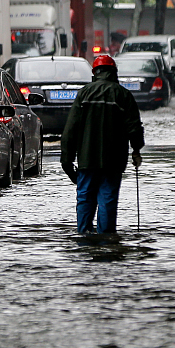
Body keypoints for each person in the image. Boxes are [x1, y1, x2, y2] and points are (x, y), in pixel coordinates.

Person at [59, 54, 144, 236]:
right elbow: (134, 128)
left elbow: (70, 130)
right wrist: (137, 149)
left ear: (95, 73)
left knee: (85, 200)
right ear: (114, 72)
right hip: (113, 162)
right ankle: (107, 243)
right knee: (107, 201)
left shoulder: (84, 94)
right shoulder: (123, 95)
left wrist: (67, 161)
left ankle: (84, 239)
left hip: (86, 161)